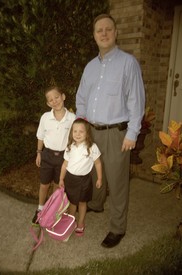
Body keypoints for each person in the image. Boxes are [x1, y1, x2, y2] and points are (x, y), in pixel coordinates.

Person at [76, 14, 145, 247]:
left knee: (117, 182)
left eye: (108, 29)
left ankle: (117, 227)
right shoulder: (90, 67)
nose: (104, 33)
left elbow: (137, 100)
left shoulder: (128, 63)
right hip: (92, 132)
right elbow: (81, 99)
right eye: (99, 30)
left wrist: (132, 133)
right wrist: (81, 127)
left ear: (116, 33)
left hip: (117, 134)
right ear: (94, 36)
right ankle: (96, 204)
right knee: (95, 173)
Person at [32, 86, 75, 225]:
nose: (54, 101)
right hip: (47, 155)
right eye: (51, 100)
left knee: (58, 185)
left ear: (63, 96)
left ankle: (52, 209)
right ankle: (40, 209)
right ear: (48, 104)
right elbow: (40, 136)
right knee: (44, 184)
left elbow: (74, 140)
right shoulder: (45, 117)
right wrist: (39, 153)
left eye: (56, 97)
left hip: (63, 158)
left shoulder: (72, 118)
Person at [59, 118, 102, 236]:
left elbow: (97, 163)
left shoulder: (91, 147)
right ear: (71, 133)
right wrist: (61, 179)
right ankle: (71, 221)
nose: (77, 134)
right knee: (72, 203)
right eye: (75, 131)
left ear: (87, 133)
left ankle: (81, 222)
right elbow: (64, 165)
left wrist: (99, 178)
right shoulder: (69, 147)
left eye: (81, 131)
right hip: (70, 179)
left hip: (84, 180)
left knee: (82, 203)